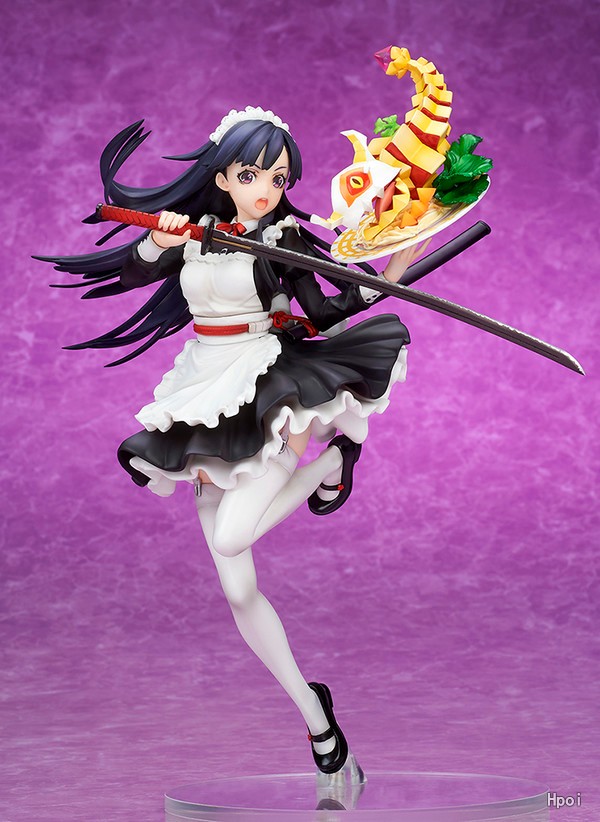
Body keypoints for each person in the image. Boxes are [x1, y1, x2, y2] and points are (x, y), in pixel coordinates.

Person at [40, 107, 428, 774]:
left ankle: (332, 460)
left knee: (230, 538)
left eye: (277, 179)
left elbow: (327, 310)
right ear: (223, 177)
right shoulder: (196, 235)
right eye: (251, 175)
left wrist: (396, 266)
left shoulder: (284, 239)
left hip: (269, 390)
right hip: (202, 396)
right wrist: (157, 241)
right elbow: (132, 273)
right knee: (240, 591)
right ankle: (316, 717)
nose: (265, 190)